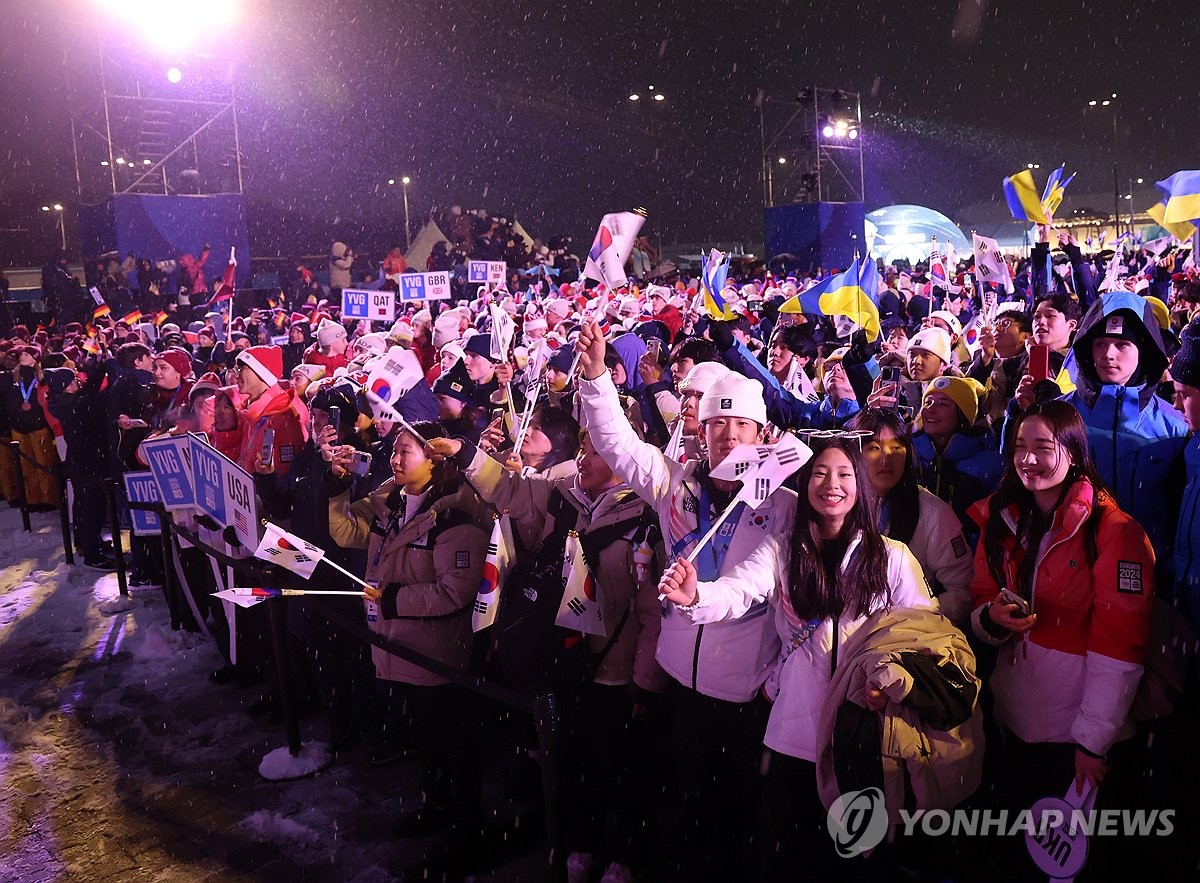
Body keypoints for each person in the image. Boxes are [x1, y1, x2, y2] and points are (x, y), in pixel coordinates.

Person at [575, 317, 795, 883]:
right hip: (683, 685)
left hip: (745, 696)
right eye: (718, 426)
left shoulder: (781, 505)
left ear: (760, 434)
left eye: (739, 426)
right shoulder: (677, 483)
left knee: (748, 823)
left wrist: (701, 598)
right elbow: (618, 445)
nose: (725, 437)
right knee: (695, 816)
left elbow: (756, 581)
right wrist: (598, 377)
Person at [658, 437, 933, 878]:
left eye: (845, 474)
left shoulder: (893, 559)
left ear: (860, 485)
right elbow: (739, 588)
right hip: (790, 733)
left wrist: (891, 679)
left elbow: (924, 634)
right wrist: (697, 596)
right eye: (821, 473)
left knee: (854, 860)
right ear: (805, 483)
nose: (832, 484)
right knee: (782, 856)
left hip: (861, 737)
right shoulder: (783, 549)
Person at [969, 400, 1154, 876]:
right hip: (1014, 723)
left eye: (1043, 448)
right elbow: (981, 597)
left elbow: (1120, 644)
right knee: (1018, 856)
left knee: (1066, 865)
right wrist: (992, 618)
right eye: (1020, 447)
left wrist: (1092, 743)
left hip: (1072, 738)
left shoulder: (1114, 533)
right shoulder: (1005, 519)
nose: (1029, 459)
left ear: (1072, 451)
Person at [326, 419, 488, 876]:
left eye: (406, 452)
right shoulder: (390, 504)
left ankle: (468, 832)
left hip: (435, 654)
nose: (395, 460)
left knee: (453, 743)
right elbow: (344, 532)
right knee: (426, 739)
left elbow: (455, 592)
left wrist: (394, 599)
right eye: (394, 452)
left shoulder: (456, 515)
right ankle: (436, 808)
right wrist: (335, 487)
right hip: (397, 645)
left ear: (434, 459)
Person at [850, 407, 974, 623]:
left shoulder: (934, 513)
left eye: (896, 448)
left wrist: (913, 621)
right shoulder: (840, 502)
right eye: (874, 448)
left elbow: (962, 591)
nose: (886, 459)